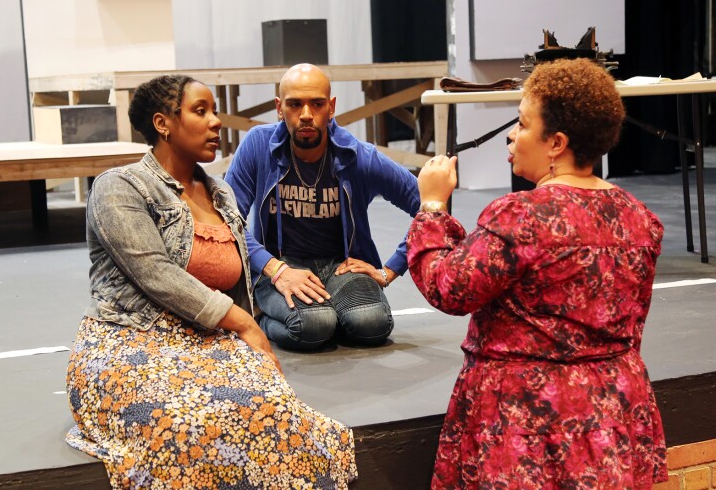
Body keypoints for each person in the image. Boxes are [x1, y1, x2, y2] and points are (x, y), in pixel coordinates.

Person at [65, 75, 356, 489]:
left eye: (214, 110)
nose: (216, 121)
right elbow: (157, 275)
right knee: (184, 424)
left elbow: (240, 277)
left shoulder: (220, 193)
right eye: (200, 111)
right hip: (131, 341)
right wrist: (244, 323)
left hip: (208, 342)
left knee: (274, 412)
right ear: (163, 123)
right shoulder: (119, 187)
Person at [407, 58, 668, 489]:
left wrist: (433, 206)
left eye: (523, 124)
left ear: (556, 143)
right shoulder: (639, 218)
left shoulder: (521, 216)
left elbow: (448, 288)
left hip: (525, 416)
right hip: (614, 409)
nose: (511, 135)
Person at [225, 63, 421, 351]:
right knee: (314, 327)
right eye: (295, 105)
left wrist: (389, 270)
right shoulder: (257, 145)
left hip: (340, 267)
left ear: (331, 108)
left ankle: (330, 312)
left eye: (316, 104)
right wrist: (275, 269)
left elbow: (430, 208)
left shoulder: (358, 156)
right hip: (281, 265)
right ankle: (260, 315)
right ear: (280, 108)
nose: (306, 115)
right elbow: (227, 218)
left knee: (372, 325)